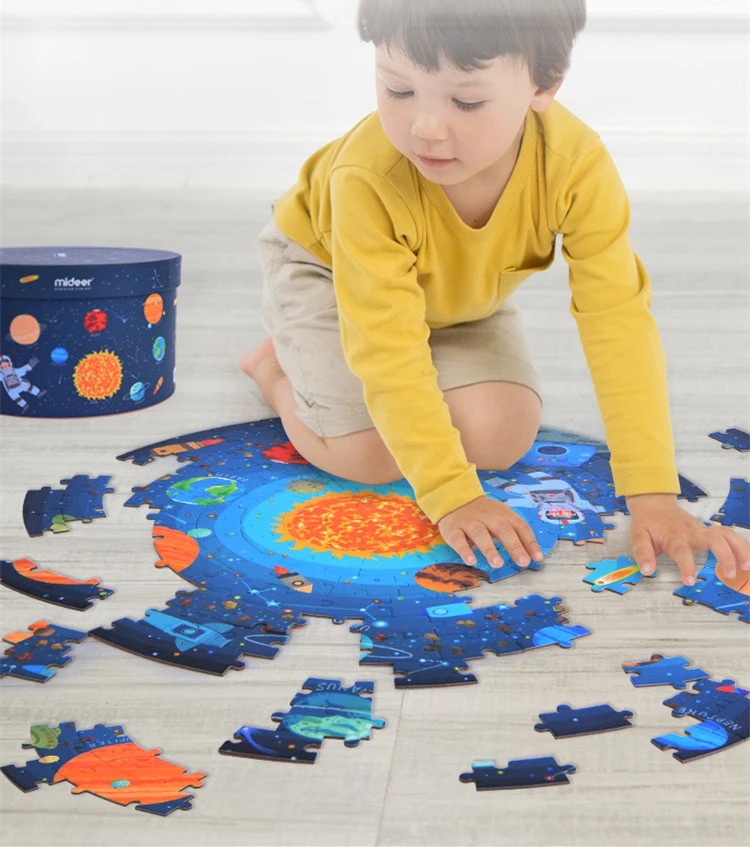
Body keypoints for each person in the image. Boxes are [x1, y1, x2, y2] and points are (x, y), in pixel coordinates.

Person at [241, 0, 750, 585]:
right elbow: (386, 347)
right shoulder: (364, 178)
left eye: (466, 102)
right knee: (366, 455)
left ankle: (361, 378)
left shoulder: (576, 165)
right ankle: (273, 369)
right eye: (398, 90)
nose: (425, 127)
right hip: (327, 274)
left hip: (460, 297)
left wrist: (653, 496)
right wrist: (453, 495)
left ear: (544, 84)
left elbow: (618, 321)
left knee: (502, 435)